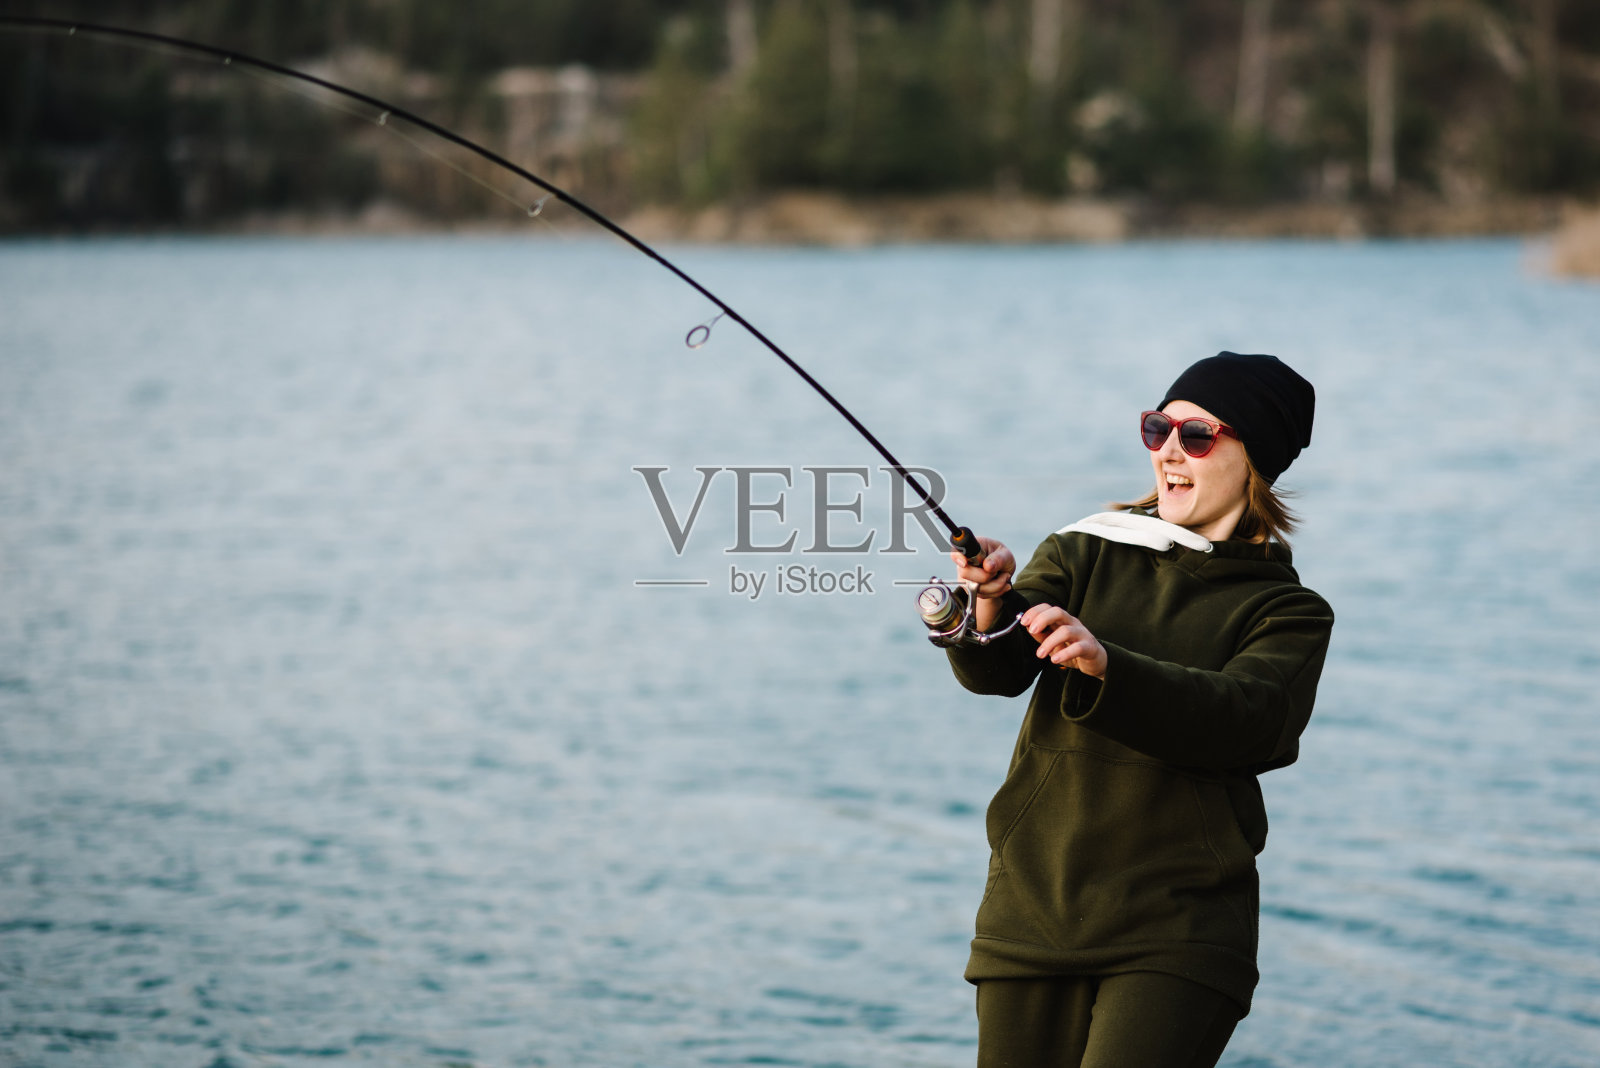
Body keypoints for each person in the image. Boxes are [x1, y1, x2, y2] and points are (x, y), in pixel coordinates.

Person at [942, 352, 1334, 1068]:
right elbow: (996, 671)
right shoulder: (1085, 549)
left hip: (1178, 932)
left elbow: (1246, 720)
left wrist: (1107, 668)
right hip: (1032, 909)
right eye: (1158, 429)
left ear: (1255, 457)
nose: (1169, 452)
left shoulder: (1287, 611)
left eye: (1198, 435)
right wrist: (990, 605)